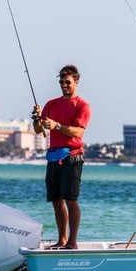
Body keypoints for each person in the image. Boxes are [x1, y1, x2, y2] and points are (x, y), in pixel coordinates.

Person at [32, 65, 92, 249]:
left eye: (67, 82)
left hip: (72, 157)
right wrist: (36, 119)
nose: (64, 85)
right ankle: (62, 240)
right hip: (53, 157)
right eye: (61, 82)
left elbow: (78, 132)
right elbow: (39, 130)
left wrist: (57, 125)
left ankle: (72, 242)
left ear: (76, 81)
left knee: (71, 200)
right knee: (56, 201)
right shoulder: (51, 104)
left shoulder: (82, 106)